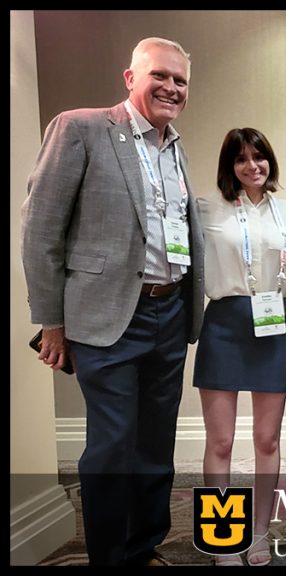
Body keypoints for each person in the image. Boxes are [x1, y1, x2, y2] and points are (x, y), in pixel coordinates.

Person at [21, 37, 203, 566]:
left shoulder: (176, 146)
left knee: (155, 445)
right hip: (107, 318)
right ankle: (108, 555)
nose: (171, 87)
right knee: (112, 446)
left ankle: (144, 548)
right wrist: (51, 323)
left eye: (181, 80)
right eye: (160, 76)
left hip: (169, 314)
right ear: (131, 78)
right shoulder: (80, 128)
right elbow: (40, 232)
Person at [193, 128, 286, 566]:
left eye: (259, 157)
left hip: (274, 325)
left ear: (269, 161)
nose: (252, 166)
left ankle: (258, 534)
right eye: (241, 159)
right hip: (225, 325)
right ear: (229, 165)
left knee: (267, 439)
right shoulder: (205, 209)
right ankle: (221, 538)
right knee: (220, 441)